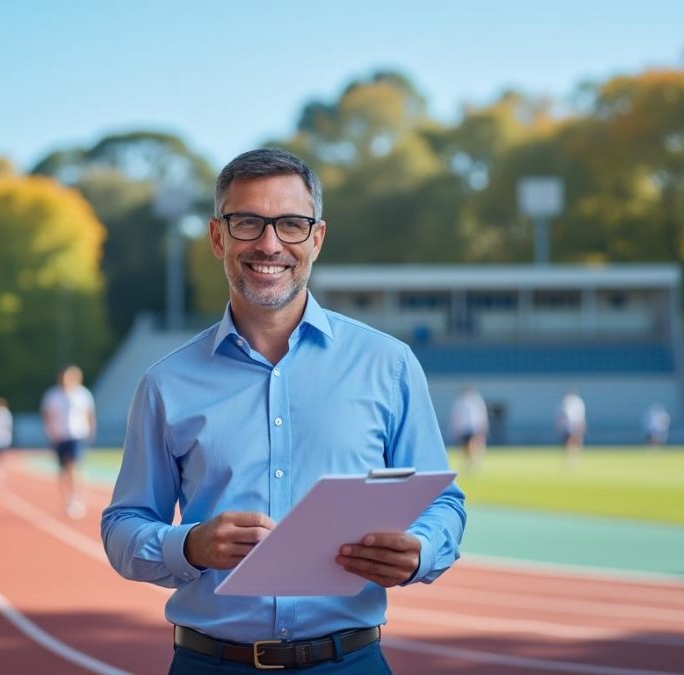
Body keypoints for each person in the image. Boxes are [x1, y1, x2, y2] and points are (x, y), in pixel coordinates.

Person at [101, 148, 465, 674]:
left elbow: (443, 503)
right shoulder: (166, 383)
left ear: (316, 238)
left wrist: (422, 550)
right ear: (217, 237)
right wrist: (191, 544)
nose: (269, 244)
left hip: (350, 661)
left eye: (290, 224)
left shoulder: (388, 365)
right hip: (211, 663)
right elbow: (124, 525)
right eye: (247, 222)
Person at [41, 365, 95, 518]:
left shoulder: (83, 394)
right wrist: (49, 433)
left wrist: (91, 432)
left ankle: (76, 498)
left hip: (77, 434)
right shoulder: (52, 395)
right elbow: (46, 416)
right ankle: (66, 500)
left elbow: (90, 415)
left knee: (74, 466)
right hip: (59, 436)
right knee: (63, 470)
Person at [448, 386, 489, 472]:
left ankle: (474, 463)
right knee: (464, 447)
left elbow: (481, 414)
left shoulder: (476, 400)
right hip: (464, 428)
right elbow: (456, 416)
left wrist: (483, 426)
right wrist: (455, 428)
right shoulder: (459, 401)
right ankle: (467, 463)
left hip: (473, 427)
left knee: (473, 445)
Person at [556, 390, 587, 462]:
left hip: (575, 424)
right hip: (568, 425)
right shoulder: (565, 402)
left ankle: (574, 456)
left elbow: (580, 416)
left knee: (576, 440)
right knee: (569, 441)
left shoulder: (576, 402)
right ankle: (570, 457)